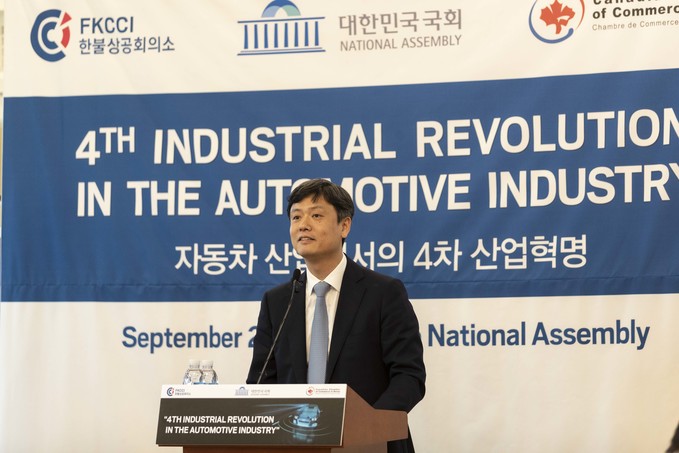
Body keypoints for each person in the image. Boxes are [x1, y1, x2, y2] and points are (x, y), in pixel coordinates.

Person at [247, 178, 426, 453]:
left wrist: (368, 427)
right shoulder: (278, 301)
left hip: (371, 445)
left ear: (344, 226)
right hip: (296, 445)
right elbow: (260, 382)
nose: (303, 225)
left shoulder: (383, 293)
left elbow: (408, 376)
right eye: (296, 217)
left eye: (316, 215)